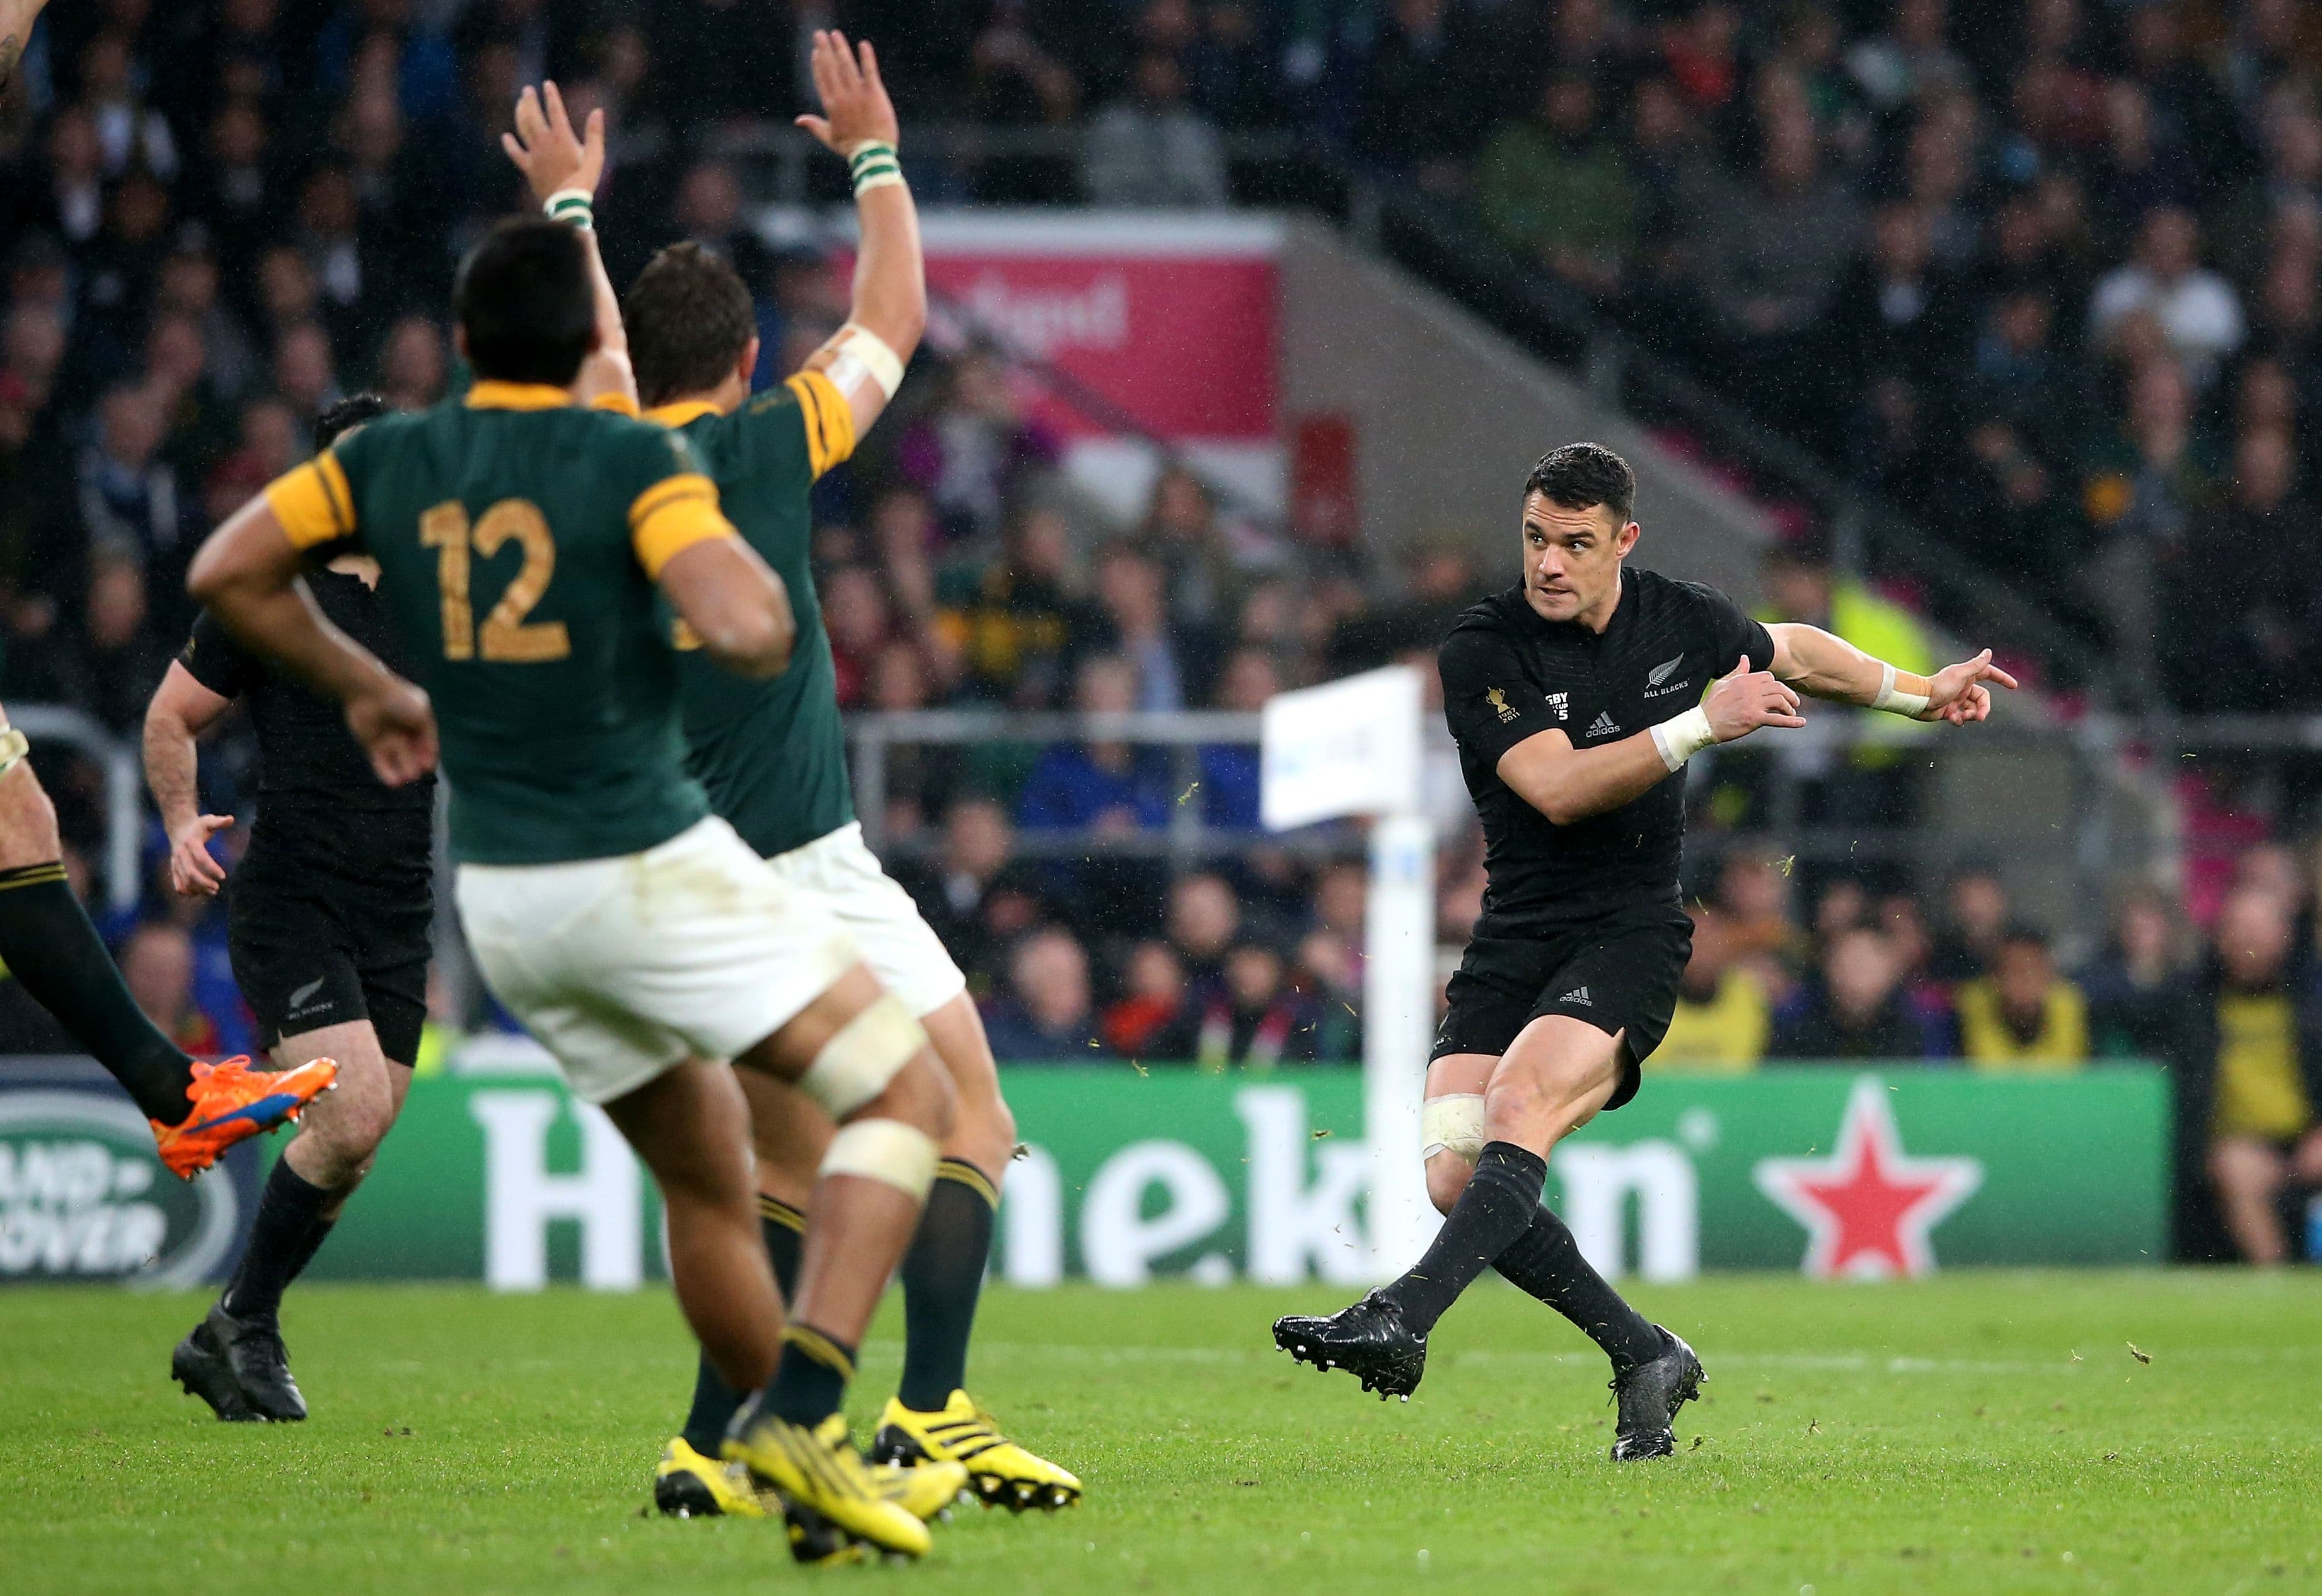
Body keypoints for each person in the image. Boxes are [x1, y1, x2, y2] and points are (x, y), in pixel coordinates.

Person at [185, 207, 954, 1562]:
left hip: (507, 903)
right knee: (909, 1097)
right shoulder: (622, 457)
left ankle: (742, 1434)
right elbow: (740, 615)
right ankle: (813, 1411)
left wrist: (366, 685)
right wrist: (752, 602)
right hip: (637, 864)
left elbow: (226, 569)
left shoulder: (402, 460)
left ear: (471, 345)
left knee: (716, 1180)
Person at [502, 52, 1077, 1518]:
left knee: (775, 1165)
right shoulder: (769, 445)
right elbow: (892, 318)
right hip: (804, 864)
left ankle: (710, 1444)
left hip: (664, 875)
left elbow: (597, 367)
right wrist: (876, 160)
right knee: (971, 1122)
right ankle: (928, 1413)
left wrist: (570, 206)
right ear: (751, 360)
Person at [1274, 442, 2014, 1457]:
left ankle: (1401, 1315)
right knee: (1456, 1176)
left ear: (1624, 542)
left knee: (1517, 1107)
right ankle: (1645, 1352)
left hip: (1628, 931)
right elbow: (1560, 787)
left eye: (1576, 544)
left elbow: (1791, 647)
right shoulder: (1483, 649)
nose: (1549, 563)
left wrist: (1917, 691)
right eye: (1536, 538)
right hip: (1514, 936)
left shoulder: (1681, 617)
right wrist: (1700, 725)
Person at [142, 393, 432, 1423]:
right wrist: (181, 820)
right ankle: (243, 1325)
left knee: (361, 1137)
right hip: (295, 895)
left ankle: (233, 1325)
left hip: (400, 907)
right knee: (349, 1115)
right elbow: (172, 715)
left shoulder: (441, 597)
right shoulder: (268, 596)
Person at [1955, 924, 2089, 1068]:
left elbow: (2064, 1067)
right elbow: (1988, 1066)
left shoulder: (2066, 999)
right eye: (2016, 970)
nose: (2025, 981)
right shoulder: (1977, 999)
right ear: (1996, 977)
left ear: (2049, 973)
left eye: (2033, 970)